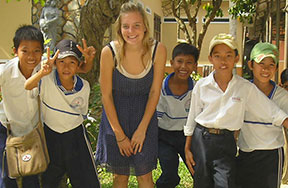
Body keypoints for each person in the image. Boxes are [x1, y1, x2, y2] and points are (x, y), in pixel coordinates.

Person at [184, 33, 288, 188]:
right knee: (202, 183)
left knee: (225, 182)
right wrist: (187, 148)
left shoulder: (244, 87)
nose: (223, 61)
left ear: (237, 58)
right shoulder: (202, 85)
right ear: (211, 58)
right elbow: (192, 117)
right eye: (217, 56)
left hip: (226, 141)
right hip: (202, 139)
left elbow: (271, 111)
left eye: (228, 55)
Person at [95, 2, 166, 188]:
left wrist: (142, 129)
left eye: (136, 25)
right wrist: (119, 135)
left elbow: (154, 92)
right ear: (119, 28)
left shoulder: (157, 50)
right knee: (120, 178)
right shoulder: (109, 52)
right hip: (115, 120)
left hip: (145, 119)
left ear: (145, 26)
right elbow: (106, 96)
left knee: (145, 177)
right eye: (126, 26)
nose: (131, 31)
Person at [24, 39, 100, 188]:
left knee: (87, 182)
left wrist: (89, 61)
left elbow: (81, 112)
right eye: (61, 62)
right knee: (47, 181)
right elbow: (28, 86)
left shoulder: (83, 86)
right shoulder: (46, 79)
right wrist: (42, 72)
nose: (66, 67)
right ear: (55, 64)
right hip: (51, 136)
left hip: (75, 138)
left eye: (72, 62)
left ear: (78, 66)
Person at [236, 42, 288, 188]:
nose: (266, 69)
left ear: (276, 68)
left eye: (271, 64)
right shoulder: (242, 91)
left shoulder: (282, 97)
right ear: (251, 65)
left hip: (271, 157)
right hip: (245, 153)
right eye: (261, 63)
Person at [0, 25, 45, 188]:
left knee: (32, 175)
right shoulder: (5, 70)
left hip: (32, 130)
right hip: (6, 128)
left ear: (43, 52)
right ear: (15, 51)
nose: (31, 56)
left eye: (36, 51)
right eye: (25, 51)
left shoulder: (45, 69)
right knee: (6, 177)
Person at [155, 43, 199, 188]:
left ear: (195, 66)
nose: (183, 67)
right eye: (179, 61)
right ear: (171, 62)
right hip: (164, 137)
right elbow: (155, 119)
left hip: (188, 136)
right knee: (170, 174)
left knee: (198, 172)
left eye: (189, 62)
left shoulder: (198, 90)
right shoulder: (160, 88)